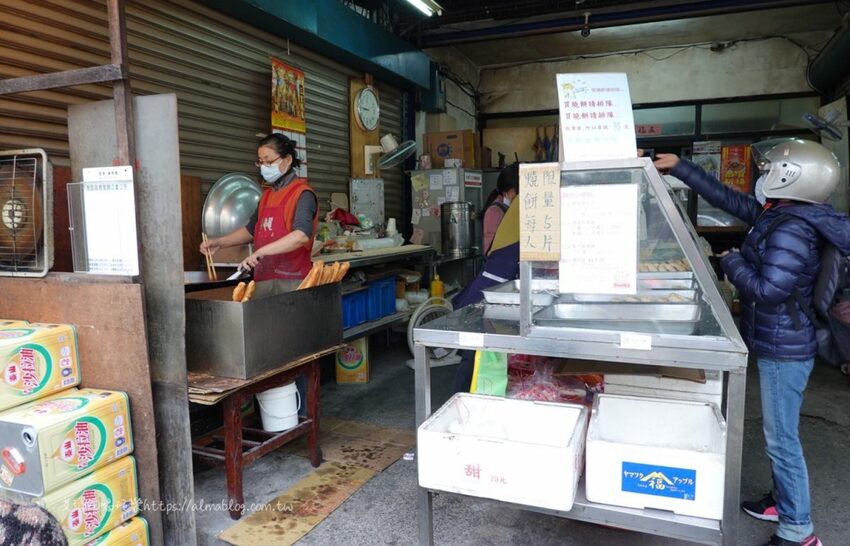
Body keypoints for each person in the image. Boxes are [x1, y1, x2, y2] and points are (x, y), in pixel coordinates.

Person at [654, 139, 850, 546]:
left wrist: (731, 262)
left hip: (785, 348)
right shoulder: (783, 214)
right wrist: (682, 168)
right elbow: (731, 201)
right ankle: (782, 500)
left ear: (790, 177)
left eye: (769, 170)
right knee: (781, 434)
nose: (762, 177)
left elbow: (768, 289)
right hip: (780, 339)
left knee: (782, 440)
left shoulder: (793, 226)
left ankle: (799, 531)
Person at [200, 133, 318, 280]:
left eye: (268, 161)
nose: (263, 167)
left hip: (292, 281)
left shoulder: (303, 194)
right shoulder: (266, 196)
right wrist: (219, 242)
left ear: (287, 160)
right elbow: (251, 230)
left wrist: (261, 252)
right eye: (260, 162)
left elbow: (301, 236)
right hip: (264, 279)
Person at [451, 167, 521, 393]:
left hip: (497, 288)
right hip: (490, 288)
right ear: (512, 191)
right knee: (474, 351)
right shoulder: (502, 211)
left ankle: (469, 395)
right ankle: (461, 397)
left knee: (480, 350)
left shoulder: (515, 209)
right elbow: (492, 250)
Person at [482, 163, 519, 254]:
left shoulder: (511, 207)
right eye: (516, 192)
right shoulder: (494, 212)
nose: (518, 196)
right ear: (506, 191)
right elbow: (492, 250)